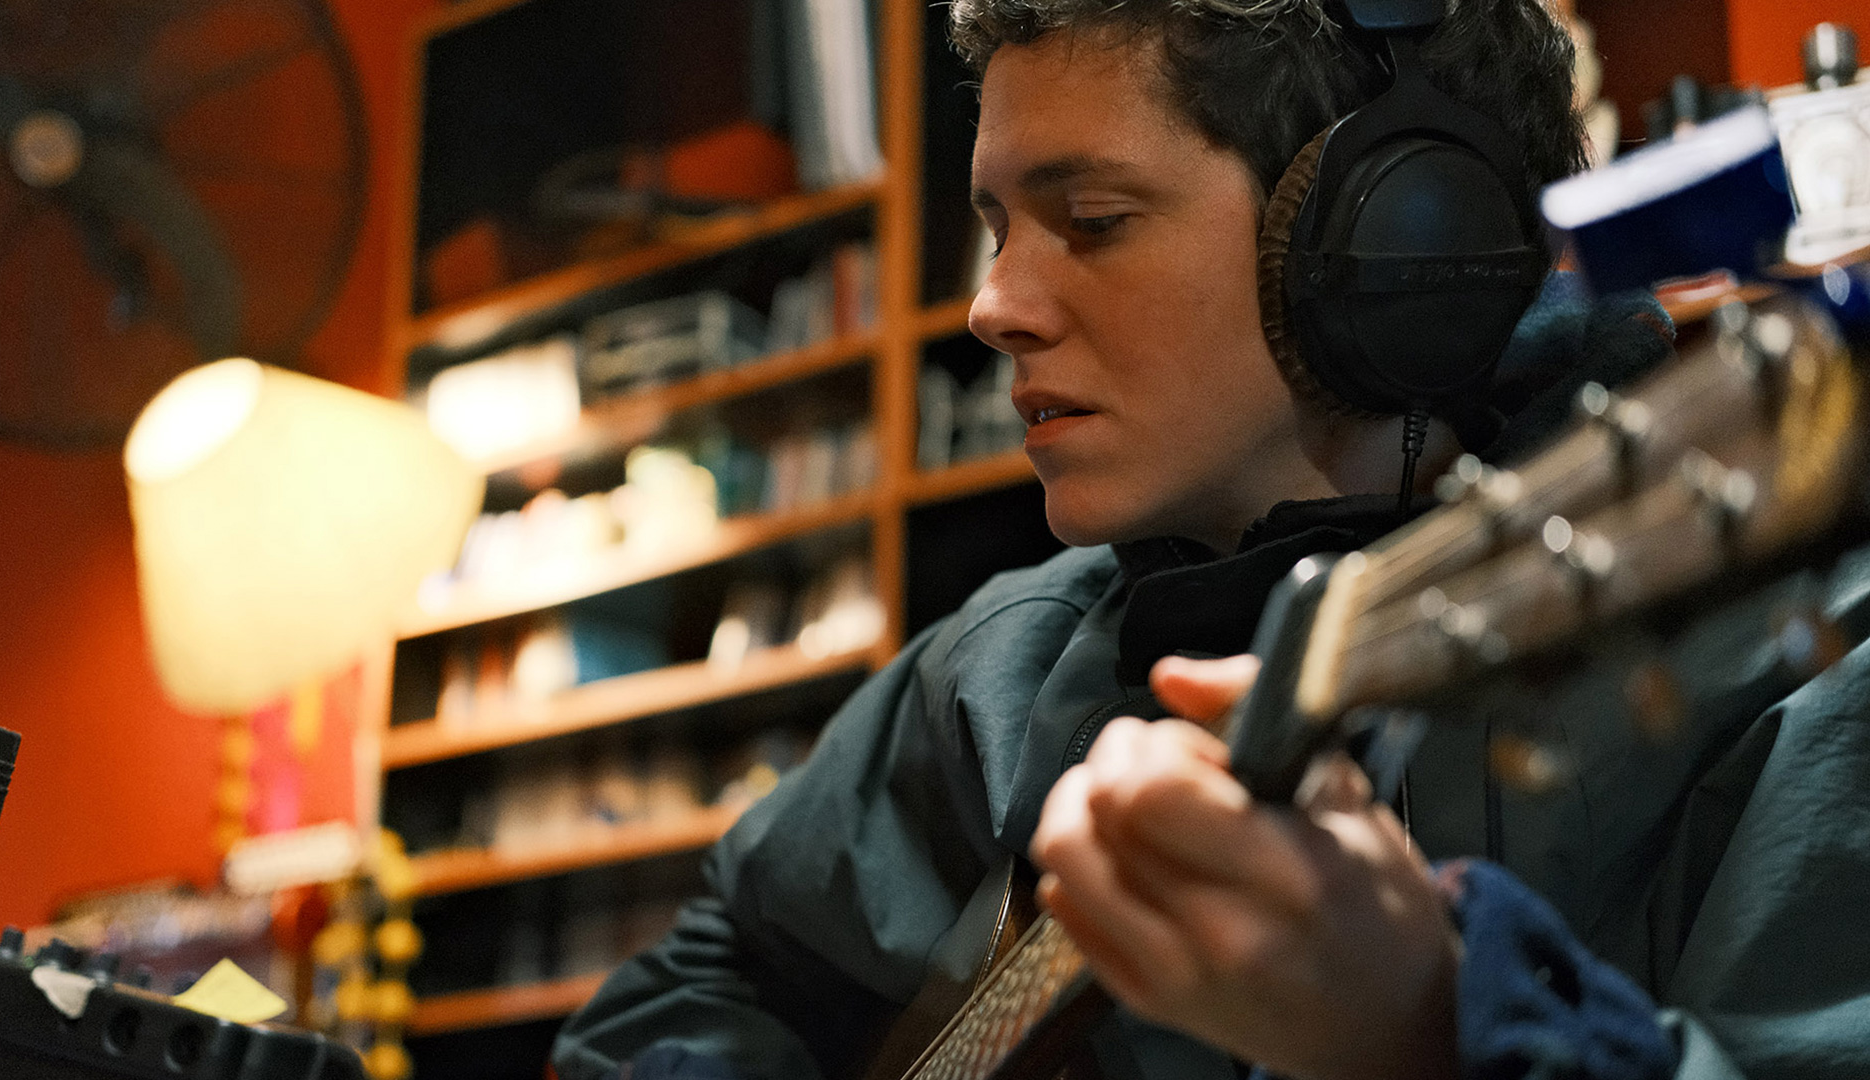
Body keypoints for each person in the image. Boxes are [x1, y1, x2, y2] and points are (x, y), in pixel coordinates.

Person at [552, 1, 1870, 1078]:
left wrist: (1433, 1028)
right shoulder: (1001, 666)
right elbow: (705, 973)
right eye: (998, 227)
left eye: (1093, 220)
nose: (991, 306)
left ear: (1398, 239)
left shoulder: (1801, 676)